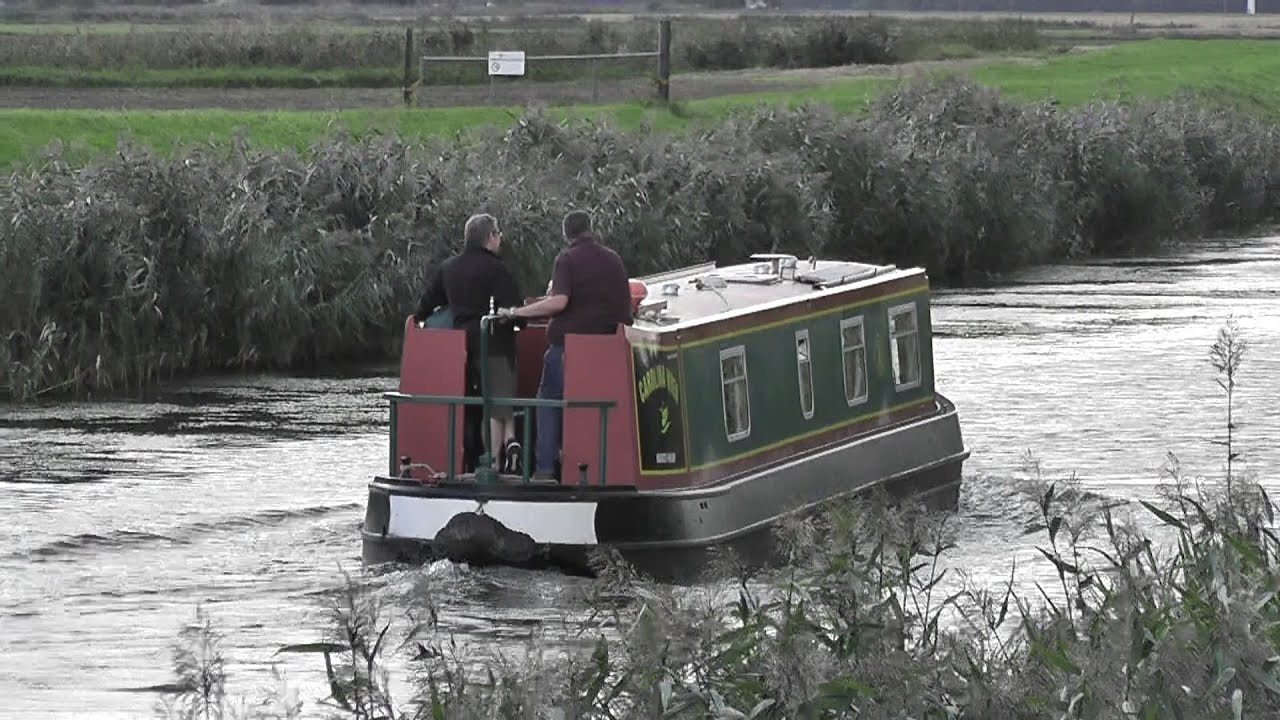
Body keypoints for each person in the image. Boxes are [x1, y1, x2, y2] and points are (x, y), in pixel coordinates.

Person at [499, 210, 632, 480]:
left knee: (548, 401)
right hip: (608, 351)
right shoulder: (614, 260)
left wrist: (515, 312)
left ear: (566, 234)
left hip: (568, 351)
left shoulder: (567, 259)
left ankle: (545, 470)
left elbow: (560, 302)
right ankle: (596, 467)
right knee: (596, 407)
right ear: (591, 229)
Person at [414, 213, 525, 474]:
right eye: (498, 234)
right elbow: (515, 309)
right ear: (490, 237)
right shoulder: (498, 269)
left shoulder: (448, 268)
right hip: (496, 343)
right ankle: (496, 461)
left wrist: (421, 324)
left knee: (471, 404)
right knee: (497, 405)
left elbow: (424, 307)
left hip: (460, 349)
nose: (500, 239)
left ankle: (472, 456)